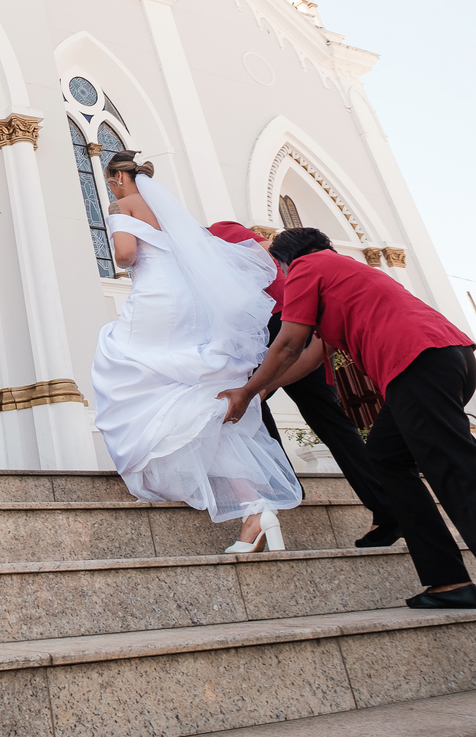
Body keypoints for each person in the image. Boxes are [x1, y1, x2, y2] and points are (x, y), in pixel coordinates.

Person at [219, 226, 476, 609]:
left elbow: (289, 343)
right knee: (387, 456)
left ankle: (452, 581)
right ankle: (447, 581)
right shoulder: (343, 270)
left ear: (287, 262)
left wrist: (244, 389)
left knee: (455, 467)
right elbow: (310, 356)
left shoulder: (307, 268)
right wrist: (260, 390)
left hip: (417, 362)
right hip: (447, 357)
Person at [91, 153, 300, 550]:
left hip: (155, 296)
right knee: (186, 385)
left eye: (110, 180)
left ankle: (248, 502)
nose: (110, 188)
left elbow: (126, 254)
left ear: (119, 177)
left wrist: (119, 234)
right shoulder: (169, 210)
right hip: (186, 301)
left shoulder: (123, 204)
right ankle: (253, 507)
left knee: (121, 360)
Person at [209, 220, 401, 548]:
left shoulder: (218, 230)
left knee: (249, 401)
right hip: (291, 317)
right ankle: (385, 507)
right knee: (327, 419)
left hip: (277, 319)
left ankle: (279, 486)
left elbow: (266, 251)